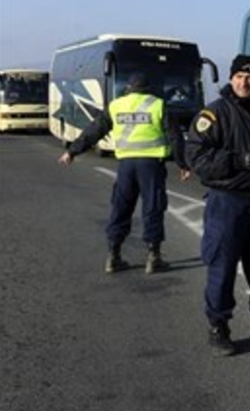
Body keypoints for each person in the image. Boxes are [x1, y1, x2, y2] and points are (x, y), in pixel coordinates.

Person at [185, 55, 250, 357]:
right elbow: (196, 156)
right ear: (231, 78)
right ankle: (219, 327)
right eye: (240, 77)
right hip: (228, 203)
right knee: (223, 265)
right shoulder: (215, 114)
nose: (245, 82)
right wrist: (234, 161)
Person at [58, 72, 191, 274]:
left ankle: (114, 255)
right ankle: (153, 257)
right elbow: (175, 137)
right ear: (148, 88)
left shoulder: (116, 106)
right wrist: (183, 164)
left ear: (128, 88)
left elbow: (94, 131)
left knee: (121, 207)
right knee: (153, 207)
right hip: (151, 164)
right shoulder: (158, 105)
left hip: (126, 165)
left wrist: (72, 151)